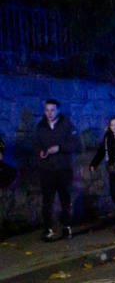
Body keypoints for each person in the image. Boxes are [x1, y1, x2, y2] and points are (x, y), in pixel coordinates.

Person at [34, 98, 80, 241]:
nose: (50, 113)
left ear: (58, 110)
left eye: (52, 110)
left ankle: (66, 226)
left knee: (65, 199)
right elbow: (35, 144)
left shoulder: (66, 124)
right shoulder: (40, 126)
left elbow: (76, 144)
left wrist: (59, 148)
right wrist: (40, 152)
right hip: (46, 169)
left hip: (63, 169)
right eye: (47, 110)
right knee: (47, 201)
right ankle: (48, 229)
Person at [90, 116, 115, 231]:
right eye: (112, 125)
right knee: (114, 194)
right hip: (113, 169)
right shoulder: (108, 137)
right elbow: (102, 151)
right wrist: (94, 164)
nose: (114, 127)